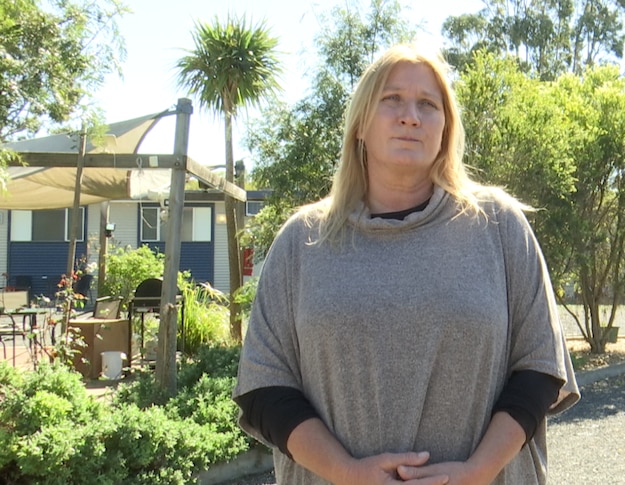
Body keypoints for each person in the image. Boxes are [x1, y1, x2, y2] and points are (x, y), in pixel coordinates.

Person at [233, 44, 580, 485]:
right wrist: (346, 472)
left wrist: (478, 472)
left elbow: (539, 368)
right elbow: (265, 388)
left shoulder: (498, 225)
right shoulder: (303, 240)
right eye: (392, 98)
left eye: (428, 105)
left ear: (445, 128)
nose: (410, 116)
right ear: (360, 123)